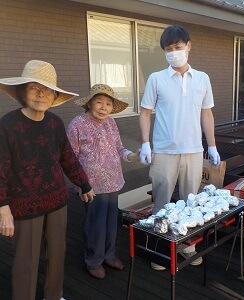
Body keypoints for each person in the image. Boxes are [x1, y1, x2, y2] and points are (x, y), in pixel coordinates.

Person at [0, 60, 95, 300]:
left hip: (56, 201)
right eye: (34, 87)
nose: (41, 93)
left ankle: (54, 295)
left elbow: (68, 158)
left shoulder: (55, 123)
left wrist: (83, 183)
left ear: (54, 96)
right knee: (25, 262)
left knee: (57, 254)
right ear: (23, 91)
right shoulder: (7, 125)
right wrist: (3, 210)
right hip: (24, 205)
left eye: (48, 89)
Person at [139, 25, 220, 270]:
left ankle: (188, 247)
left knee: (191, 201)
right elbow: (144, 113)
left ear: (189, 46)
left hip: (194, 150)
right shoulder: (156, 78)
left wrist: (212, 146)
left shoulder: (202, 78)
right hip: (164, 151)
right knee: (161, 202)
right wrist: (145, 143)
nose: (174, 52)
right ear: (164, 52)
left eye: (178, 47)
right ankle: (160, 250)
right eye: (169, 49)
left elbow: (207, 114)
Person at [67, 84, 139, 280]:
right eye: (99, 102)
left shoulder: (111, 123)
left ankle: (109, 255)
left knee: (111, 222)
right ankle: (94, 260)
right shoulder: (77, 124)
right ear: (90, 103)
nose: (103, 107)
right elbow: (70, 158)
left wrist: (131, 156)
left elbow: (119, 148)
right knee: (95, 224)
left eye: (108, 104)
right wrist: (81, 185)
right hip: (91, 186)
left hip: (113, 181)